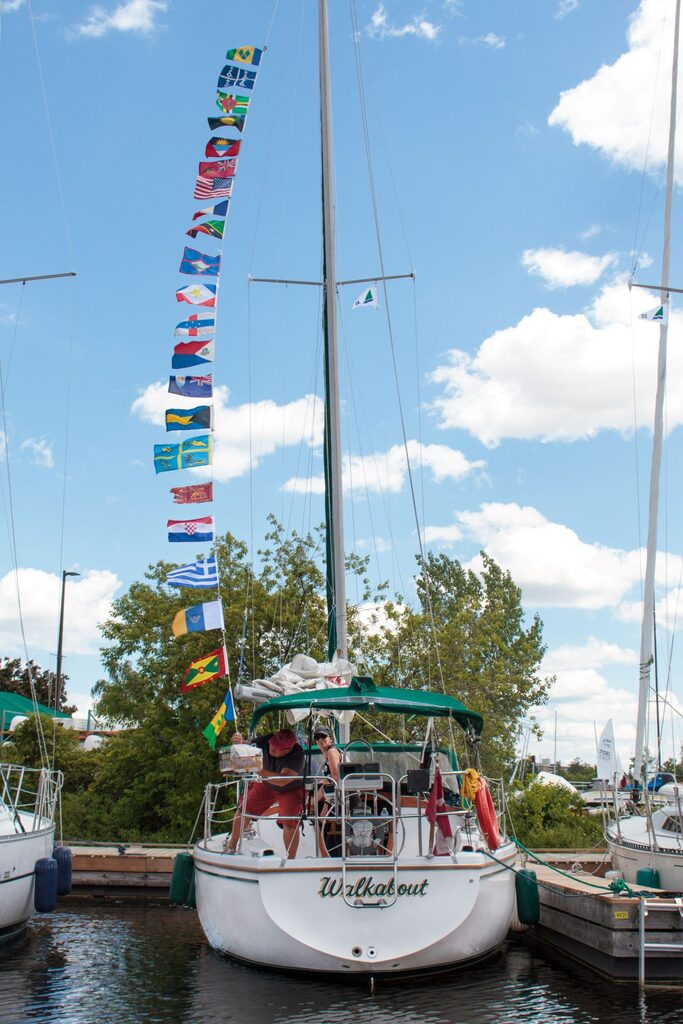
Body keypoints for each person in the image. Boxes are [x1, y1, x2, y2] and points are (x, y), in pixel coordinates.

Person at [225, 729, 305, 858]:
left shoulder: (297, 755)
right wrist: (239, 741)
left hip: (290, 788)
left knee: (289, 822)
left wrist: (257, 768)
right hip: (267, 783)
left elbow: (282, 781)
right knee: (244, 808)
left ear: (288, 749)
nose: (272, 748)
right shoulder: (266, 740)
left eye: (277, 747)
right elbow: (247, 745)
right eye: (272, 743)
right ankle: (231, 846)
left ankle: (291, 861)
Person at [313, 725, 341, 857]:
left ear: (330, 739)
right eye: (317, 737)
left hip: (338, 796)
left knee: (313, 804)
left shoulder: (331, 752)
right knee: (312, 803)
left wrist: (324, 803)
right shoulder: (330, 752)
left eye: (323, 736)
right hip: (336, 795)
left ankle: (325, 855)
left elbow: (336, 778)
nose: (320, 739)